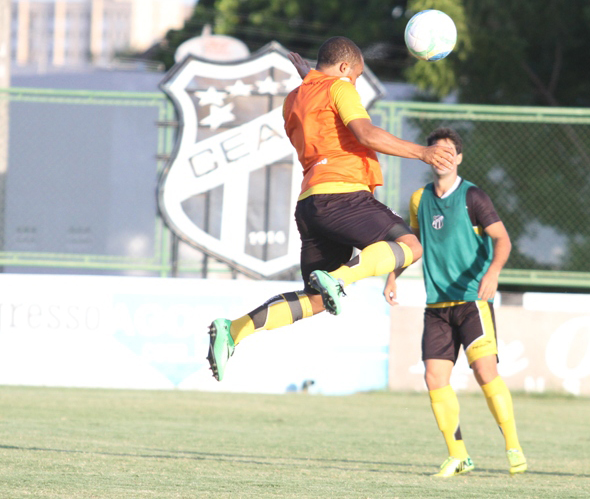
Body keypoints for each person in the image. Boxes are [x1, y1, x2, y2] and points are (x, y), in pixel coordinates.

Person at [207, 36, 456, 383]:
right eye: (355, 76)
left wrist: (311, 78)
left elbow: (320, 112)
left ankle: (232, 330)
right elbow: (365, 133)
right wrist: (423, 153)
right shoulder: (340, 87)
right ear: (342, 69)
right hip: (344, 196)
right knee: (412, 246)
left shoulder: (295, 97)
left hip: (310, 205)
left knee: (317, 299)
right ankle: (338, 279)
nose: (353, 83)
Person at [383, 127, 527, 478]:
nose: (442, 157)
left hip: (472, 302)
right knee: (435, 378)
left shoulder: (473, 197)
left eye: (449, 152)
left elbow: (503, 240)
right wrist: (392, 275)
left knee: (484, 371)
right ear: (429, 156)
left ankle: (513, 446)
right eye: (436, 151)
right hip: (437, 306)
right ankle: (458, 454)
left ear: (458, 158)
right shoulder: (419, 199)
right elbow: (413, 243)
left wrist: (493, 272)